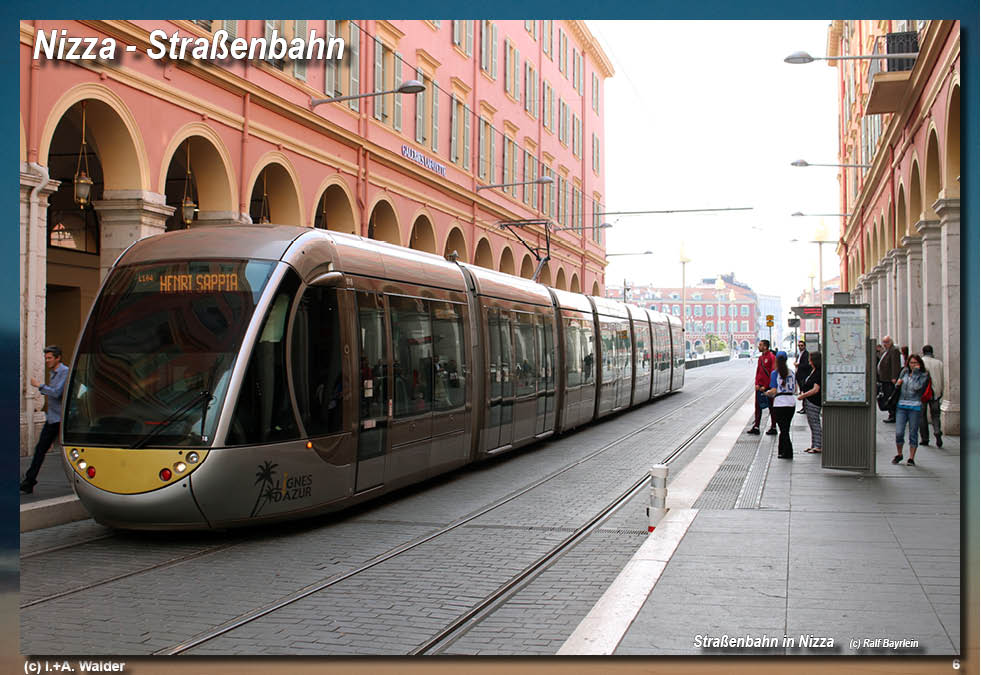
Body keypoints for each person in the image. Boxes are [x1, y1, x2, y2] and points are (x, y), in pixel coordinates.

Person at [21, 345, 69, 494]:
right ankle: (29, 481)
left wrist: (39, 386)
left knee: (67, 453)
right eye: (46, 358)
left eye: (49, 358)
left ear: (58, 358)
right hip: (52, 419)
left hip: (62, 420)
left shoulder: (64, 372)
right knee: (40, 449)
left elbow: (56, 393)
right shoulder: (53, 373)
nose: (47, 360)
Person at [891, 354, 931, 466]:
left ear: (919, 364)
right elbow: (897, 386)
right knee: (899, 432)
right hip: (901, 406)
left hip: (915, 406)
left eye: (915, 363)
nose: (913, 365)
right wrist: (897, 384)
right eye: (911, 363)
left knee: (913, 432)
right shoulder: (904, 372)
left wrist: (916, 374)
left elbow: (917, 387)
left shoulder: (924, 375)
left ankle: (911, 458)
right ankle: (899, 454)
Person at [765, 351, 797, 458]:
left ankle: (788, 452)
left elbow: (774, 390)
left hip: (779, 403)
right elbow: (795, 389)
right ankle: (782, 450)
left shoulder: (775, 373)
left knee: (783, 429)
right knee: (786, 428)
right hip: (791, 403)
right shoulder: (792, 372)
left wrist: (767, 393)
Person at [747, 339, 777, 435]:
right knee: (758, 406)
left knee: (771, 407)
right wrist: (756, 383)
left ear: (765, 346)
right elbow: (758, 372)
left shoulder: (771, 357)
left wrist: (766, 386)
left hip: (767, 387)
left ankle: (773, 426)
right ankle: (756, 426)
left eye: (760, 345)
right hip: (759, 387)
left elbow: (773, 373)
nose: (758, 347)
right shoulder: (760, 358)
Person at [797, 351, 823, 453]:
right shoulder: (814, 370)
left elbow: (816, 389)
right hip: (810, 401)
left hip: (814, 401)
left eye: (810, 359)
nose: (809, 361)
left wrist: (803, 395)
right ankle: (814, 444)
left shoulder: (818, 372)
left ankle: (818, 445)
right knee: (812, 423)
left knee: (815, 423)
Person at [919, 345, 944, 448]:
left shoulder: (920, 362)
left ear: (923, 352)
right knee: (935, 415)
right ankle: (937, 431)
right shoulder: (939, 363)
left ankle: (925, 438)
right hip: (935, 393)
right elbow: (942, 379)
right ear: (932, 352)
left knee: (922, 415)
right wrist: (941, 391)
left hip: (923, 393)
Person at [876, 335, 902, 423]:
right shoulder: (886, 351)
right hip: (884, 379)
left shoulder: (894, 350)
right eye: (884, 342)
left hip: (889, 379)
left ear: (890, 342)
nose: (884, 344)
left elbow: (895, 364)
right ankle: (891, 413)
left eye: (886, 342)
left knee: (890, 397)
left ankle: (893, 414)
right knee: (887, 396)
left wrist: (894, 377)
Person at [794, 340, 811, 414]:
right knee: (802, 391)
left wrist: (798, 365)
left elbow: (807, 365)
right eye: (799, 346)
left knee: (804, 392)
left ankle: (805, 408)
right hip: (799, 375)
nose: (800, 347)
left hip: (803, 376)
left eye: (802, 345)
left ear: (804, 346)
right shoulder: (799, 354)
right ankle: (803, 407)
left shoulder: (806, 354)